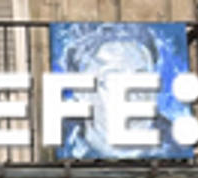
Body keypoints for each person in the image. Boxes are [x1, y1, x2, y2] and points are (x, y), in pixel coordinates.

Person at [54, 24, 172, 161]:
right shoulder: (61, 140)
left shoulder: (178, 141)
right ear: (81, 92)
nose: (133, 95)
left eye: (142, 78)